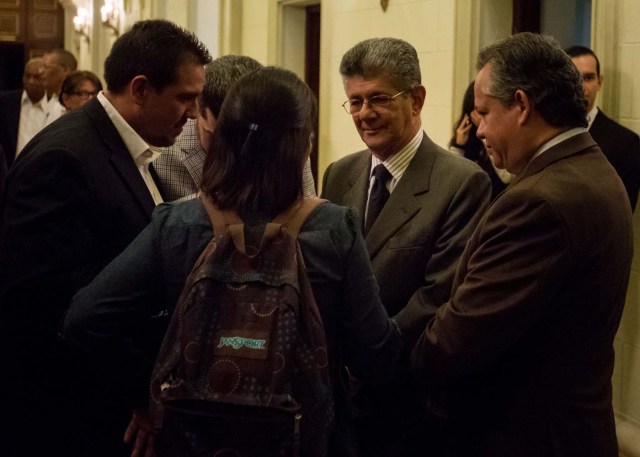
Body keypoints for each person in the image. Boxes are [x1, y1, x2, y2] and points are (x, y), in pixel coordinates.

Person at [62, 66, 404, 457]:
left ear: (224, 136)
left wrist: (148, 392)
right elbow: (377, 355)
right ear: (302, 145)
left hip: (193, 437)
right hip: (301, 438)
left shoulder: (178, 224)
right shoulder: (333, 229)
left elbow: (84, 322)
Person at [412, 32, 632, 457]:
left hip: (529, 436)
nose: (478, 130)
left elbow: (458, 339)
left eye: (483, 113)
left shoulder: (541, 200)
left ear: (522, 105)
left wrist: (406, 360)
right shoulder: (588, 166)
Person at [0, 19, 211, 457]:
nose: (192, 114)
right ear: (139, 89)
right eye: (184, 99)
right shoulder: (65, 159)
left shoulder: (126, 146)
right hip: (72, 415)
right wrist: (142, 391)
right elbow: (45, 307)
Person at [321, 37, 491, 457]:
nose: (364, 114)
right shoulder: (339, 174)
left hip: (406, 407)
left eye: (377, 98)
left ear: (416, 99)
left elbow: (438, 297)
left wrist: (367, 362)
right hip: (338, 403)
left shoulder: (462, 182)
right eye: (355, 101)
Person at [155, 55, 318, 202]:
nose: (234, 150)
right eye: (220, 137)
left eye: (247, 135)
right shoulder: (162, 151)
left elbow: (307, 214)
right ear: (198, 110)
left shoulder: (286, 146)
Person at [565, 45, 640, 211]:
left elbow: (623, 211)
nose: (581, 87)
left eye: (589, 78)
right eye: (574, 78)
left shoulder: (626, 143)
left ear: (599, 82)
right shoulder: (545, 133)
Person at [450, 81, 512, 199]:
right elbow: (452, 182)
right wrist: (458, 146)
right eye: (478, 112)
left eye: (485, 112)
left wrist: (487, 134)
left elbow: (506, 177)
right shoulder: (465, 138)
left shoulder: (501, 136)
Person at [0, 57, 46, 168]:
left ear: (47, 79)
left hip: (42, 171)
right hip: (10, 171)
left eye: (37, 77)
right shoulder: (5, 102)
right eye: (27, 76)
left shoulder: (55, 107)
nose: (31, 81)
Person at [41, 48, 77, 125]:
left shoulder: (75, 103)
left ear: (64, 70)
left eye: (46, 67)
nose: (40, 71)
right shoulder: (52, 101)